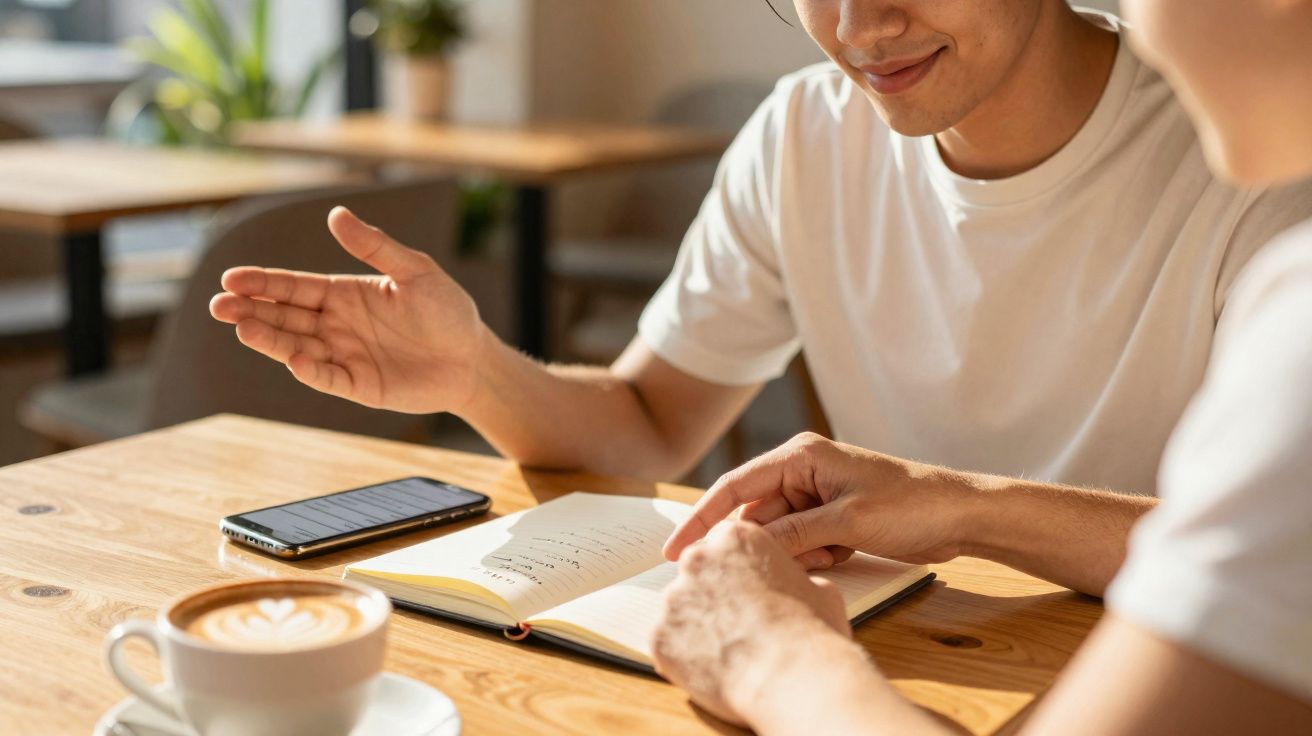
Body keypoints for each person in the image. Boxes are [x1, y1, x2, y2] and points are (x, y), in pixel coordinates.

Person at [212, 0, 1308, 596]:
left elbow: (1283, 555)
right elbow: (649, 424)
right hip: (909, 659)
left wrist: (961, 505)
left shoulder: (1250, 136)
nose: (857, 25)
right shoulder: (804, 132)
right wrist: (474, 371)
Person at [651, 0, 1312, 732]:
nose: (859, 27)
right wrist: (960, 506)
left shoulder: (1292, 282)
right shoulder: (805, 127)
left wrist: (765, 654)